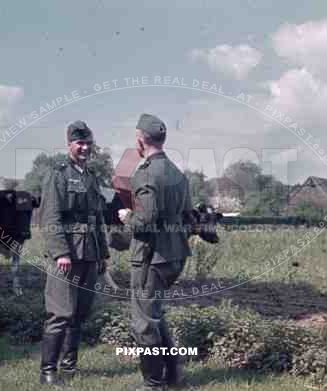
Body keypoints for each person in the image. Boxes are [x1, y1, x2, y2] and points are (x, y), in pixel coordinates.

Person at [118, 113, 194, 390]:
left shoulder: (145, 174)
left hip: (151, 257)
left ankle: (153, 384)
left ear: (140, 141)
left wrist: (127, 216)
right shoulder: (177, 173)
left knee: (144, 322)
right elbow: (188, 217)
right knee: (156, 315)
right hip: (175, 256)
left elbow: (145, 221)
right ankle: (174, 377)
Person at [39, 120, 110, 385]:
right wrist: (60, 253)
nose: (85, 148)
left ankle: (69, 368)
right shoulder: (57, 174)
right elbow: (50, 216)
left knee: (80, 313)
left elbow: (97, 217)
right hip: (67, 255)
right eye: (79, 143)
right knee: (60, 313)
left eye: (88, 143)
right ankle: (48, 372)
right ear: (69, 144)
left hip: (89, 253)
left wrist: (103, 253)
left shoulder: (91, 176)